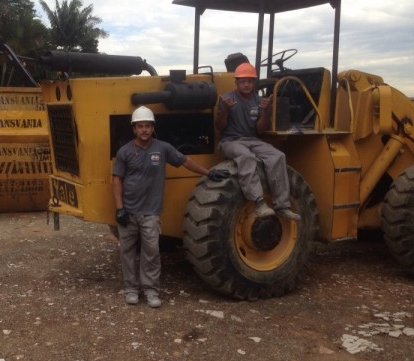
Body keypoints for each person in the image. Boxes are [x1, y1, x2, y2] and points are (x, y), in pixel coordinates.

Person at [112, 106, 229, 308]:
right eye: (140, 126)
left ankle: (151, 291)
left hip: (150, 213)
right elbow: (117, 180)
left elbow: (186, 161)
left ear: (153, 127)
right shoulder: (125, 152)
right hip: (129, 212)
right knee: (127, 253)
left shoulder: (163, 148)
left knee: (151, 253)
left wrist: (208, 173)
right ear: (134, 129)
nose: (144, 130)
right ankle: (131, 289)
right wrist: (119, 207)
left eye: (148, 126)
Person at [215, 62, 301, 221]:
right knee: (247, 157)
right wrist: (225, 110)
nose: (246, 84)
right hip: (230, 141)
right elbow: (219, 128)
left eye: (249, 81)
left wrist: (267, 111)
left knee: (278, 156)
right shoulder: (226, 98)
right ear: (236, 83)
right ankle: (259, 202)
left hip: (252, 140)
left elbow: (260, 130)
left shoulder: (259, 101)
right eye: (242, 81)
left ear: (254, 83)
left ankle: (282, 205)